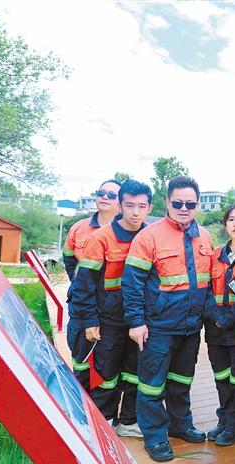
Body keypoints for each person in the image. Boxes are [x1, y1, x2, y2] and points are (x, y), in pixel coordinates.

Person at [121, 175, 219, 462]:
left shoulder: (206, 237)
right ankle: (155, 436)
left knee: (181, 380)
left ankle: (180, 424)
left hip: (191, 326)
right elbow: (132, 284)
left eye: (190, 203)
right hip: (158, 327)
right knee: (152, 385)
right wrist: (136, 322)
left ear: (198, 204)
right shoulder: (148, 236)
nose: (184, 208)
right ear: (167, 202)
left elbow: (209, 282)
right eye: (178, 203)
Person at [68, 179, 152, 438]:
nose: (135, 212)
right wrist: (90, 319)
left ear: (149, 208)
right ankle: (103, 422)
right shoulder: (101, 238)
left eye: (141, 206)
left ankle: (128, 421)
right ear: (120, 206)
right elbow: (83, 284)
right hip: (108, 319)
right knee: (105, 372)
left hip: (138, 319)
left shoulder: (150, 236)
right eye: (129, 205)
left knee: (134, 372)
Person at [203, 202, 235, 447]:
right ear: (225, 224)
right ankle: (223, 419)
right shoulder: (214, 256)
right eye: (232, 219)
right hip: (215, 327)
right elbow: (204, 289)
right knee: (221, 377)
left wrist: (231, 317)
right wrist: (216, 316)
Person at [64, 178, 121, 369]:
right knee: (81, 359)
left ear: (121, 202)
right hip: (81, 305)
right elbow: (69, 258)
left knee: (108, 364)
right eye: (101, 193)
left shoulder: (128, 230)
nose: (105, 197)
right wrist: (78, 283)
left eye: (111, 195)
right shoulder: (78, 228)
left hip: (112, 308)